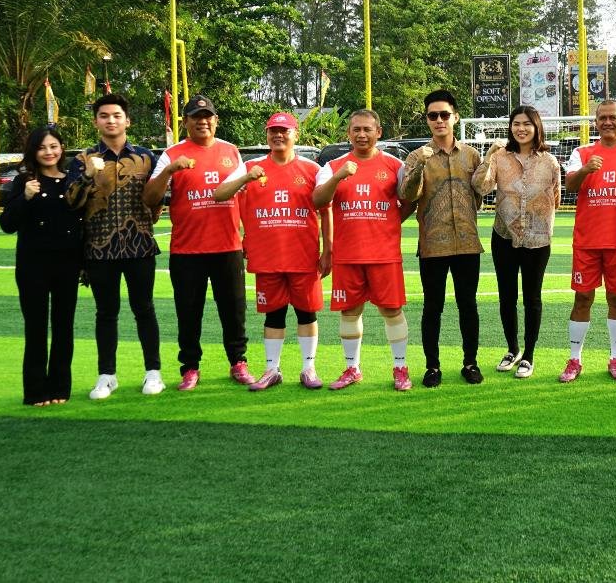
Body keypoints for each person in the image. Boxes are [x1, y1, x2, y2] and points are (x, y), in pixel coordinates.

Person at [214, 112, 331, 391]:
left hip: (303, 256)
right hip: (266, 256)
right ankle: (272, 369)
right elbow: (219, 194)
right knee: (274, 314)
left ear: (295, 134)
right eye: (273, 131)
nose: (278, 135)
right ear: (267, 134)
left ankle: (308, 368)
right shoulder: (252, 166)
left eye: (284, 130)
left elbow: (326, 211)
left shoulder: (312, 169)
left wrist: (328, 250)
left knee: (307, 313)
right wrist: (245, 179)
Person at [143, 95, 254, 390]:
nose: (202, 121)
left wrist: (247, 237)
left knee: (234, 310)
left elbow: (241, 195)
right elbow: (150, 199)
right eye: (196, 116)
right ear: (186, 122)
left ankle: (238, 362)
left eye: (207, 116)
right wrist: (169, 171)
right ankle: (190, 367)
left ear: (216, 121)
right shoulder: (171, 155)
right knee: (188, 312)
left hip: (227, 246)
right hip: (187, 250)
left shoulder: (231, 151)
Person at [67, 93, 164, 399]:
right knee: (105, 313)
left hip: (139, 245)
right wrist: (87, 176)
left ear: (127, 120)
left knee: (144, 309)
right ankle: (107, 375)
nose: (111, 120)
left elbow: (158, 199)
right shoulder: (82, 159)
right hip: (99, 247)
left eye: (117, 115)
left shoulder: (147, 157)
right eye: (105, 116)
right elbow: (71, 202)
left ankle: (153, 372)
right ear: (96, 121)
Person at [312, 109, 414, 392]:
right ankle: (352, 368)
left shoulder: (395, 165)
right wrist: (338, 178)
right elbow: (318, 200)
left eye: (367, 129)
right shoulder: (333, 167)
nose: (361, 134)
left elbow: (410, 200)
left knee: (392, 310)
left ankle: (400, 368)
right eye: (356, 129)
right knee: (349, 311)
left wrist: (389, 222)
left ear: (378, 132)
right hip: (348, 255)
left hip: (384, 254)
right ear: (348, 133)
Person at [559, 99, 616, 382]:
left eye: (614, 117)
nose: (608, 122)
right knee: (582, 297)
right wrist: (586, 170)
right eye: (602, 118)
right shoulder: (582, 152)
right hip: (587, 241)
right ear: (596, 122)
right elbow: (569, 186)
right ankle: (574, 360)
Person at [399, 90, 484, 387]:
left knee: (467, 305)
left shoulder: (472, 155)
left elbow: (481, 194)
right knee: (432, 307)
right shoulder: (416, 156)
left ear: (455, 117)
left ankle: (470, 362)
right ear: (427, 120)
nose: (439, 121)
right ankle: (432, 367)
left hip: (467, 244)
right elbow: (407, 196)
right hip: (433, 245)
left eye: (444, 115)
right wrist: (419, 166)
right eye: (433, 116)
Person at [472, 105, 561, 379]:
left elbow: (556, 199)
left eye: (527, 124)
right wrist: (488, 155)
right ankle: (512, 349)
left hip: (537, 240)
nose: (521, 128)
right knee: (507, 297)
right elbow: (480, 186)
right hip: (504, 237)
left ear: (536, 127)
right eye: (516, 123)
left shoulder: (550, 162)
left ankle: (529, 355)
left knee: (532, 298)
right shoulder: (500, 157)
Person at [0, 127, 83, 405]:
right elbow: (7, 224)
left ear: (62, 148)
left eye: (54, 146)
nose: (49, 152)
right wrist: (25, 197)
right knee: (35, 328)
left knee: (63, 328)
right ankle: (35, 391)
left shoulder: (71, 180)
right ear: (33, 151)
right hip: (33, 266)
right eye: (42, 147)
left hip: (67, 264)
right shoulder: (25, 181)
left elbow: (81, 222)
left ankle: (60, 388)